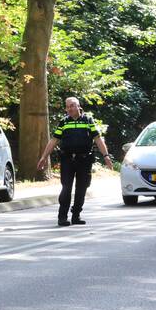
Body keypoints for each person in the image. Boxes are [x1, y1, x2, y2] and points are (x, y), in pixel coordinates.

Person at [37, 97, 113, 226]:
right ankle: (62, 217)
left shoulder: (88, 120)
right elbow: (54, 140)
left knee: (82, 188)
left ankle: (76, 215)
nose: (70, 108)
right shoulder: (64, 122)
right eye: (68, 106)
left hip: (84, 160)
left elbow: (98, 139)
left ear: (79, 106)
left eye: (73, 105)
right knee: (66, 188)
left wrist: (106, 156)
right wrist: (44, 157)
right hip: (67, 159)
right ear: (66, 109)